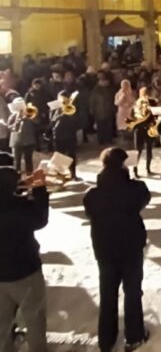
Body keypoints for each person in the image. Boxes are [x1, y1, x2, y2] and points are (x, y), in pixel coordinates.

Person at [83, 148, 151, 352]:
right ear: (123, 165)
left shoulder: (92, 194)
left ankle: (106, 339)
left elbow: (89, 212)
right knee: (132, 292)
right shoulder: (136, 189)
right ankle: (134, 336)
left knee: (107, 293)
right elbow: (144, 200)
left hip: (105, 250)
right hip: (131, 248)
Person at [0, 166, 49, 352]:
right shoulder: (20, 206)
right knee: (34, 319)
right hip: (25, 272)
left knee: (2, 323)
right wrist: (39, 187)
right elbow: (40, 219)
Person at [50, 94, 79, 179]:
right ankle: (60, 175)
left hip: (70, 135)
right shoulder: (55, 108)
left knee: (72, 155)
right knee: (59, 156)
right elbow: (52, 121)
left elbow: (75, 119)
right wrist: (59, 113)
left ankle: (73, 174)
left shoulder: (71, 107)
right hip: (59, 136)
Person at [126, 98, 155, 178]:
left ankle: (148, 169)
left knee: (149, 150)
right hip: (138, 132)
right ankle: (135, 170)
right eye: (142, 103)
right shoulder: (134, 112)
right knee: (138, 151)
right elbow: (130, 123)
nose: (144, 105)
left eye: (145, 103)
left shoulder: (150, 112)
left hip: (148, 131)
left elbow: (153, 121)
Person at [8, 100, 38, 174]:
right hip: (16, 141)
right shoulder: (13, 116)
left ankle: (30, 176)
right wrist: (16, 122)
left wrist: (29, 117)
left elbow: (37, 122)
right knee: (17, 160)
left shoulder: (29, 113)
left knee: (28, 160)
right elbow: (9, 126)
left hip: (28, 141)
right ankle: (16, 177)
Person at [90, 72, 117, 145]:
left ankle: (108, 139)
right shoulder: (96, 90)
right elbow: (92, 101)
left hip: (108, 111)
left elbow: (113, 100)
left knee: (109, 127)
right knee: (100, 127)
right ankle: (101, 140)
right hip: (99, 111)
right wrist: (92, 111)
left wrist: (114, 109)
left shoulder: (110, 90)